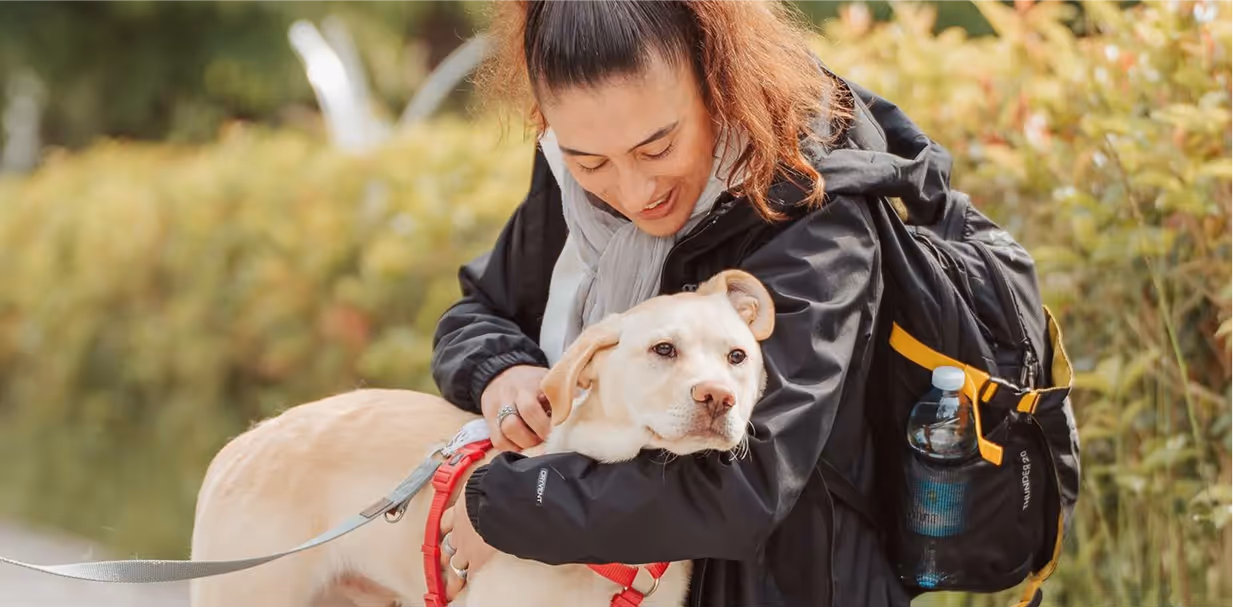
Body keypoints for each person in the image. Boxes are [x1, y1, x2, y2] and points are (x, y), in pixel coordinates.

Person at [428, 0, 945, 605]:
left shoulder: (817, 214)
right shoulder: (573, 184)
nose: (633, 192)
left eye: (657, 149)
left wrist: (511, 503)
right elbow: (479, 311)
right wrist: (504, 371)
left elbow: (748, 483)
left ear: (718, 85)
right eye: (590, 161)